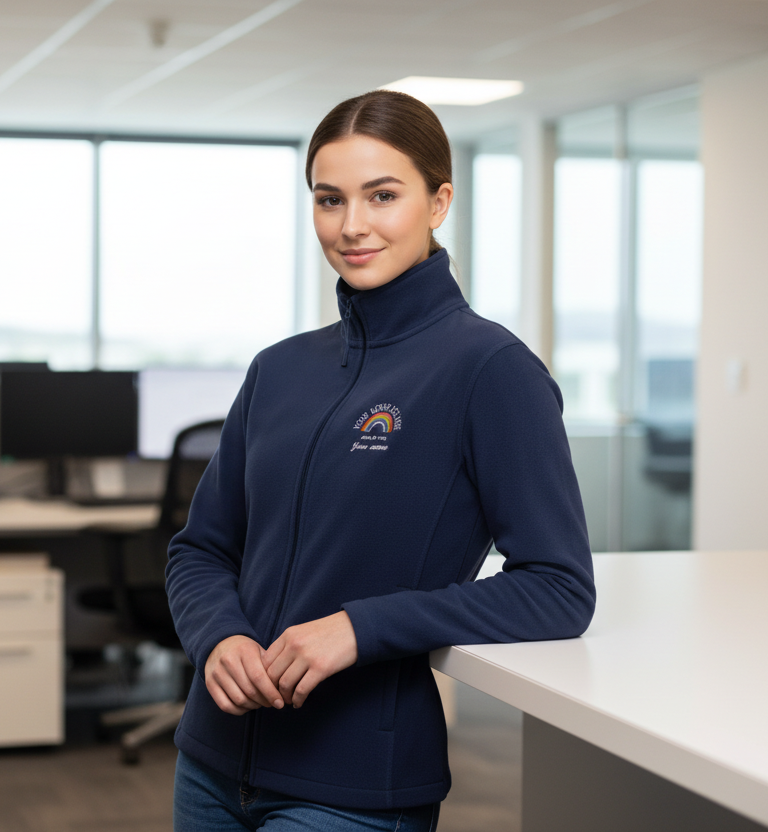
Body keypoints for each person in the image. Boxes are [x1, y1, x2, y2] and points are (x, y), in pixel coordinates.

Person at [164, 89, 596, 831]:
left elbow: (557, 589)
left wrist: (360, 627)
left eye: (383, 195)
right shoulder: (280, 368)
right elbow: (201, 548)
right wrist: (219, 635)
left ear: (438, 202)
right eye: (329, 199)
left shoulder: (491, 370)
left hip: (352, 784)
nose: (352, 225)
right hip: (209, 759)